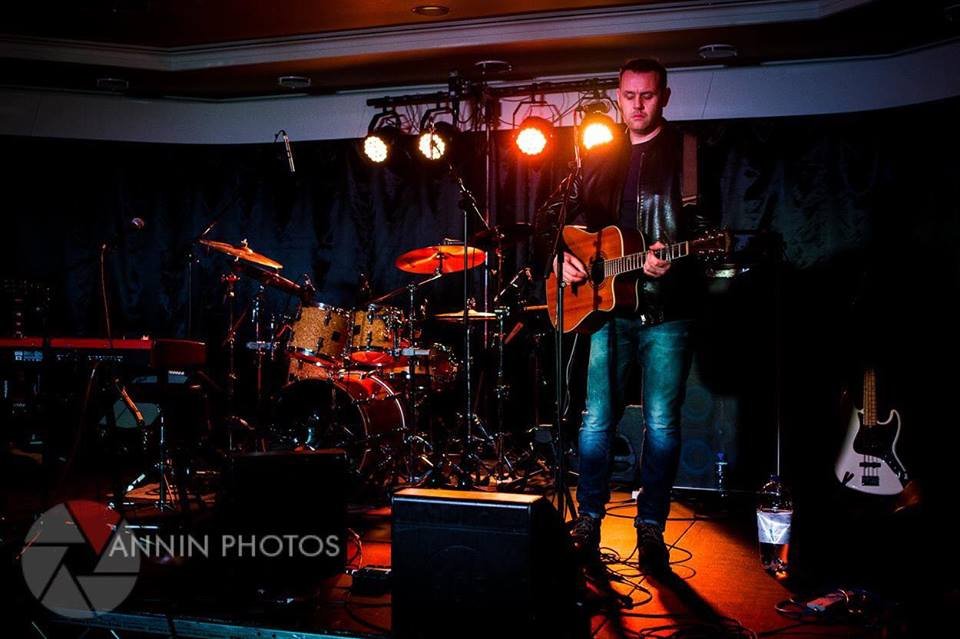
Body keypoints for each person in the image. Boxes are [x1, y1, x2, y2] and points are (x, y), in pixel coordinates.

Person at [533, 58, 710, 574]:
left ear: (664, 97)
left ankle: (650, 526)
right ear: (618, 95)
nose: (637, 105)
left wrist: (672, 258)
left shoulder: (689, 152)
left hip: (668, 309)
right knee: (595, 419)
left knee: (662, 423)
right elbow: (556, 221)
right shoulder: (599, 154)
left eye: (647, 96)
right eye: (629, 96)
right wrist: (557, 257)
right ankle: (588, 519)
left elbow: (705, 227)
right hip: (607, 310)